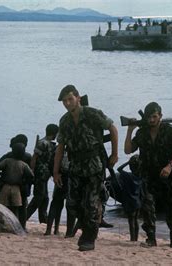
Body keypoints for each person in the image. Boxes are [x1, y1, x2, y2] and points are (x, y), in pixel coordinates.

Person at [53, 85, 118, 251]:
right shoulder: (65, 121)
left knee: (90, 203)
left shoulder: (92, 114)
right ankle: (87, 228)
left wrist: (114, 154)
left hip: (93, 165)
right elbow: (61, 146)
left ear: (78, 98)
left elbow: (113, 128)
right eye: (64, 101)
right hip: (75, 167)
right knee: (73, 204)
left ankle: (89, 238)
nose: (67, 103)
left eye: (70, 99)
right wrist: (56, 171)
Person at [124, 102, 172, 248]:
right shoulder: (142, 132)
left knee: (171, 206)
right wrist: (130, 130)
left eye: (154, 116)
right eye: (148, 117)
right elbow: (127, 150)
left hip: (168, 174)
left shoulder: (169, 130)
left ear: (160, 116)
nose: (151, 120)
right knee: (147, 206)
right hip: (148, 174)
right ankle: (151, 238)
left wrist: (170, 166)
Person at [0, 133, 32, 230]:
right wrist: (25, 182)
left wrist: (0, 179)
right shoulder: (28, 157)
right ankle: (22, 226)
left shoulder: (8, 156)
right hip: (23, 185)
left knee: (7, 205)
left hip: (9, 184)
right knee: (22, 206)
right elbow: (32, 173)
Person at [27, 124, 58, 223]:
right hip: (40, 174)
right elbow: (34, 157)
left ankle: (43, 220)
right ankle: (24, 217)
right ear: (54, 134)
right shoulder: (43, 143)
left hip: (45, 174)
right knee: (38, 197)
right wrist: (32, 170)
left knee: (45, 198)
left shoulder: (49, 144)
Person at [117, 155, 142, 241]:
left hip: (130, 202)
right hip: (138, 202)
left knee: (131, 221)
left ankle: (132, 238)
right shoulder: (140, 177)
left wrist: (127, 162)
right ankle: (136, 238)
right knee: (136, 220)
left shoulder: (128, 176)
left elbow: (119, 169)